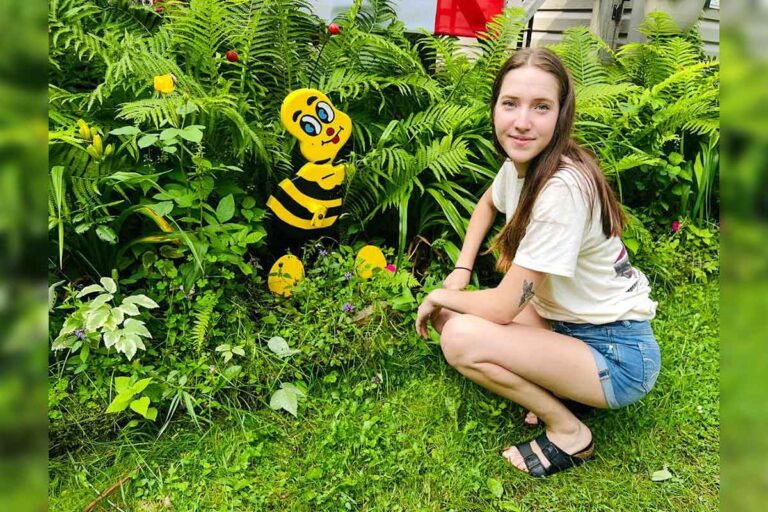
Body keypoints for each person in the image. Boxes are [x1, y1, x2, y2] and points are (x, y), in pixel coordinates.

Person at [415, 47, 660, 478]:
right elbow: (488, 203)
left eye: (541, 107)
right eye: (510, 104)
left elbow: (502, 308)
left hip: (618, 356)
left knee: (458, 336)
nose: (522, 121)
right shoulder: (522, 165)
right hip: (566, 323)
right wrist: (461, 270)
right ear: (495, 107)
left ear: (561, 115)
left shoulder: (562, 188)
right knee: (455, 315)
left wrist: (437, 293)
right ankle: (561, 383)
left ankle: (569, 432)